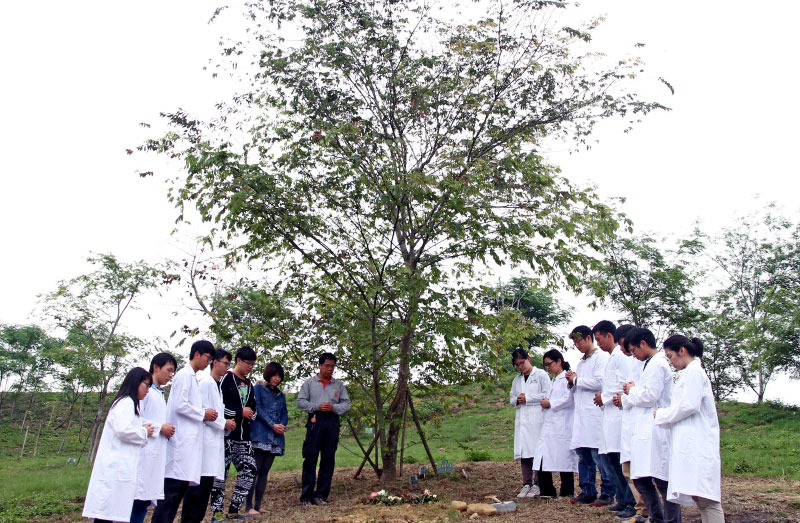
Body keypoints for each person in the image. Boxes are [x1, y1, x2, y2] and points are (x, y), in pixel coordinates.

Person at [655, 335, 724, 523]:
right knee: (701, 498)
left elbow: (689, 405)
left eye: (670, 356)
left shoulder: (695, 372)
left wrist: (663, 414)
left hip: (699, 445)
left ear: (682, 351)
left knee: (708, 499)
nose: (670, 361)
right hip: (692, 445)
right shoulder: (690, 372)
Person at [152, 340, 219, 523]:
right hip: (180, 443)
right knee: (170, 496)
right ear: (196, 354)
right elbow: (181, 405)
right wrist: (203, 413)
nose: (208, 362)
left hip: (187, 446)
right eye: (207, 357)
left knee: (177, 493)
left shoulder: (193, 378)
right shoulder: (183, 375)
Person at [622, 327, 681, 523]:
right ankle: (656, 517)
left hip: (656, 429)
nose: (633, 355)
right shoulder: (647, 363)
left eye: (633, 350)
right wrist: (633, 391)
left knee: (662, 479)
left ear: (643, 344)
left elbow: (649, 396)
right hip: (643, 429)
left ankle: (672, 520)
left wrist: (631, 390)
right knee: (640, 478)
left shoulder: (658, 364)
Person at [83, 367, 154, 523]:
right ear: (136, 382)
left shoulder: (129, 404)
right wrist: (144, 431)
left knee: (109, 514)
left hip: (119, 470)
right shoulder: (126, 403)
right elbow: (123, 430)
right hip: (114, 470)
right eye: (146, 385)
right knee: (106, 514)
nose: (147, 390)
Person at [181, 349, 236, 523]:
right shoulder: (205, 383)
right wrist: (223, 423)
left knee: (205, 489)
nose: (227, 367)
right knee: (198, 489)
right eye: (225, 363)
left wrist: (225, 424)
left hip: (214, 442)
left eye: (229, 364)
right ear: (215, 362)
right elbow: (203, 413)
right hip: (204, 443)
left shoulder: (215, 385)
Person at [592, 321, 637, 518]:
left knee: (617, 461)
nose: (598, 343)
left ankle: (630, 502)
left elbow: (625, 385)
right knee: (609, 459)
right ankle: (622, 499)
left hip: (619, 415)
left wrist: (606, 397)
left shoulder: (621, 357)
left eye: (599, 339)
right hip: (610, 415)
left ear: (610, 336)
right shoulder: (612, 358)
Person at [209, 345, 259, 520]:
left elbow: (253, 405)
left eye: (253, 364)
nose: (250, 367)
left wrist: (251, 414)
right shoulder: (226, 379)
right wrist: (239, 412)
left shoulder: (248, 383)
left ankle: (234, 508)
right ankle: (216, 512)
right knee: (220, 473)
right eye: (248, 363)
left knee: (250, 469)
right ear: (238, 361)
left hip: (244, 436)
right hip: (226, 435)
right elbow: (218, 406)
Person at [566, 325, 614, 505]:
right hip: (582, 415)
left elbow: (601, 382)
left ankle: (608, 492)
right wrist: (572, 382)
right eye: (574, 342)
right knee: (583, 455)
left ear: (588, 338)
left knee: (598, 455)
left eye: (579, 341)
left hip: (595, 413)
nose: (577, 345)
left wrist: (577, 380)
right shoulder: (582, 361)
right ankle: (587, 490)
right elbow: (579, 384)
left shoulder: (601, 357)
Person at [297, 352, 351, 506]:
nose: (330, 369)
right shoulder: (309, 383)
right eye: (327, 365)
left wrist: (333, 407)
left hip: (332, 421)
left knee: (328, 458)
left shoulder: (338, 385)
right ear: (319, 365)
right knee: (310, 457)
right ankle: (306, 496)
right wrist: (317, 406)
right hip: (315, 420)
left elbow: (346, 404)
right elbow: (301, 402)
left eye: (332, 366)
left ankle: (321, 495)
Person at [131, 353, 178, 523]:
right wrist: (160, 427)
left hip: (156, 455)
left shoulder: (159, 394)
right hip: (144, 453)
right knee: (137, 498)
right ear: (156, 367)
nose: (170, 375)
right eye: (169, 370)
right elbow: (136, 418)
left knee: (144, 500)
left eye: (173, 372)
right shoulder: (146, 391)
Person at [613, 324, 649, 522]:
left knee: (639, 472)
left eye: (623, 344)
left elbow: (641, 393)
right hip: (630, 421)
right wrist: (624, 397)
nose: (622, 349)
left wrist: (627, 395)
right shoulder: (635, 363)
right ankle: (641, 509)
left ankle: (644, 510)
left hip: (640, 422)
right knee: (629, 470)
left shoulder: (644, 363)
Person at [533, 349, 577, 498]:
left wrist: (550, 403)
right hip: (551, 425)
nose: (548, 368)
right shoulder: (554, 380)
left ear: (559, 361)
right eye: (545, 365)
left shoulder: (567, 378)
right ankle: (547, 491)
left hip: (562, 425)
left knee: (564, 460)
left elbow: (569, 399)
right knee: (542, 457)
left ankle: (567, 491)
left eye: (549, 364)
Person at [246, 361, 289, 513]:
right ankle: (248, 506)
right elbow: (258, 409)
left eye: (279, 376)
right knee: (254, 470)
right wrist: (272, 425)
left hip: (275, 438)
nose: (276, 378)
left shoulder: (280, 394)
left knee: (264, 471)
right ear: (268, 375)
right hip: (260, 434)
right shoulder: (258, 388)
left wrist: (282, 425)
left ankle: (258, 505)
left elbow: (284, 413)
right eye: (274, 375)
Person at [509, 348, 551, 498]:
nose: (521, 367)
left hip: (537, 418)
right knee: (524, 452)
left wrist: (529, 398)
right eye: (517, 365)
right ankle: (526, 483)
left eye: (522, 362)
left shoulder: (541, 375)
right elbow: (512, 399)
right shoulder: (517, 380)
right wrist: (518, 400)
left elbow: (548, 394)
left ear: (529, 359)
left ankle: (538, 483)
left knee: (537, 452)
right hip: (523, 419)